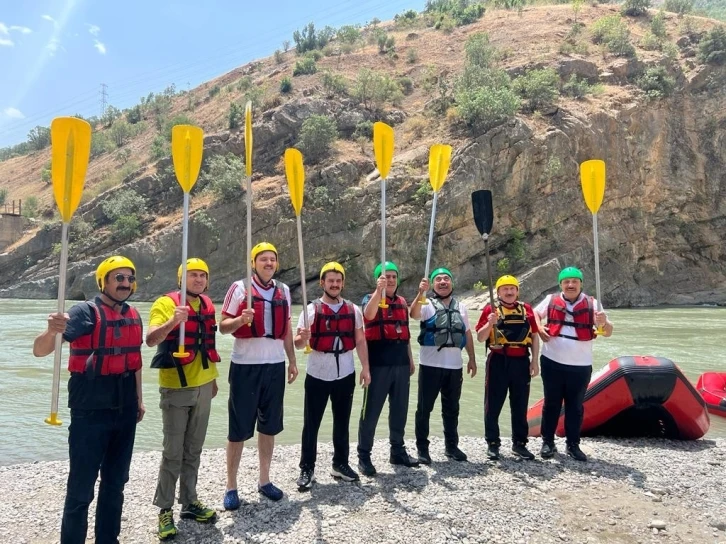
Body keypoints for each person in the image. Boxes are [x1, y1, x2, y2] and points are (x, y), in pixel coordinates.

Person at [32, 255, 145, 544]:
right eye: (118, 278)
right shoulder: (84, 312)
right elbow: (40, 350)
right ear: (104, 281)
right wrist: (51, 330)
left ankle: (108, 540)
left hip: (125, 409)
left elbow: (134, 362)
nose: (125, 283)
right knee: (81, 488)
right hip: (90, 411)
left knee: (115, 483)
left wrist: (139, 400)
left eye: (129, 278)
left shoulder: (133, 314)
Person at [219, 242, 298, 508]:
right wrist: (241, 320)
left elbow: (286, 328)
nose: (268, 263)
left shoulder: (284, 290)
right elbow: (222, 326)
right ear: (254, 263)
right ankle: (231, 485)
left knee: (269, 426)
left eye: (272, 260)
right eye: (263, 259)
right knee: (238, 430)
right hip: (245, 367)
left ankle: (264, 480)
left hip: (274, 365)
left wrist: (293, 361)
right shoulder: (239, 288)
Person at [146, 258, 219, 540]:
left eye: (203, 275)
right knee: (172, 453)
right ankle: (164, 509)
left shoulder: (207, 305)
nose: (199, 280)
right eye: (193, 275)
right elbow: (151, 339)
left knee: (194, 450)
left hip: (203, 386)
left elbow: (206, 344)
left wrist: (212, 380)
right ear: (181, 278)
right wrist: (173, 321)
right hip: (176, 388)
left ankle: (189, 502)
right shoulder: (165, 304)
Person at [294, 262, 371, 491]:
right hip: (317, 373)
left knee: (342, 422)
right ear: (322, 283)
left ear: (343, 283)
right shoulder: (310, 311)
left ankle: (340, 464)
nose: (335, 284)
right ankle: (307, 467)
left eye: (338, 281)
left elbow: (359, 340)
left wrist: (366, 368)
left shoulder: (353, 309)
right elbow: (298, 344)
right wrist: (302, 338)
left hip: (345, 373)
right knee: (312, 424)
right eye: (330, 281)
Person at [533, 266, 613, 462]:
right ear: (561, 284)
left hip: (580, 365)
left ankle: (573, 444)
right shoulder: (550, 300)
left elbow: (608, 331)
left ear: (580, 284)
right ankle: (548, 442)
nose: (570, 285)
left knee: (575, 406)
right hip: (552, 362)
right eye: (566, 281)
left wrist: (604, 322)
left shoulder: (593, 304)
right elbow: (533, 314)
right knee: (551, 403)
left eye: (574, 281)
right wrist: (539, 327)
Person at [357, 261, 418, 477]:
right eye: (386, 276)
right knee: (370, 412)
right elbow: (369, 315)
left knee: (400, 410)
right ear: (379, 279)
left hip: (401, 362)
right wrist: (378, 291)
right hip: (378, 364)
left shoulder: (402, 302)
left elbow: (406, 333)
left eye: (394, 276)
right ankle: (364, 455)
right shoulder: (370, 299)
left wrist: (410, 359)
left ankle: (397, 451)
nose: (391, 279)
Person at [410, 267, 477, 464]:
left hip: (454, 367)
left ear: (452, 283)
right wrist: (420, 292)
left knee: (451, 408)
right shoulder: (426, 303)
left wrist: (472, 358)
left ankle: (451, 446)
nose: (442, 281)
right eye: (438, 279)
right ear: (433, 284)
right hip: (430, 365)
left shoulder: (461, 307)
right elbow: (413, 314)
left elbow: (466, 334)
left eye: (446, 278)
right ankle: (422, 448)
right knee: (424, 408)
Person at [475, 275, 540, 461]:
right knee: (493, 404)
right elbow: (480, 337)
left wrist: (535, 360)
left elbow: (534, 336)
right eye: (505, 289)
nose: (509, 292)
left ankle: (519, 444)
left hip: (521, 361)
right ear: (498, 292)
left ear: (517, 291)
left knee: (520, 404)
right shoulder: (491, 309)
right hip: (498, 360)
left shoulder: (526, 309)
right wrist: (490, 323)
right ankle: (493, 443)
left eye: (512, 289)